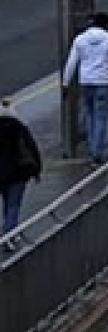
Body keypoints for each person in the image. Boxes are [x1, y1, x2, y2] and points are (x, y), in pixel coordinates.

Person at [62, 13, 108, 166]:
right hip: (103, 82)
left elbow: (71, 62)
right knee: (100, 117)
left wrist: (66, 83)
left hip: (86, 81)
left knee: (89, 114)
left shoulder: (80, 40)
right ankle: (97, 153)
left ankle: (91, 146)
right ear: (106, 24)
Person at [0, 98, 41, 238]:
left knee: (6, 202)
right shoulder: (19, 128)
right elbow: (31, 148)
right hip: (19, 172)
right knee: (13, 205)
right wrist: (37, 170)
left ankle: (8, 229)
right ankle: (10, 234)